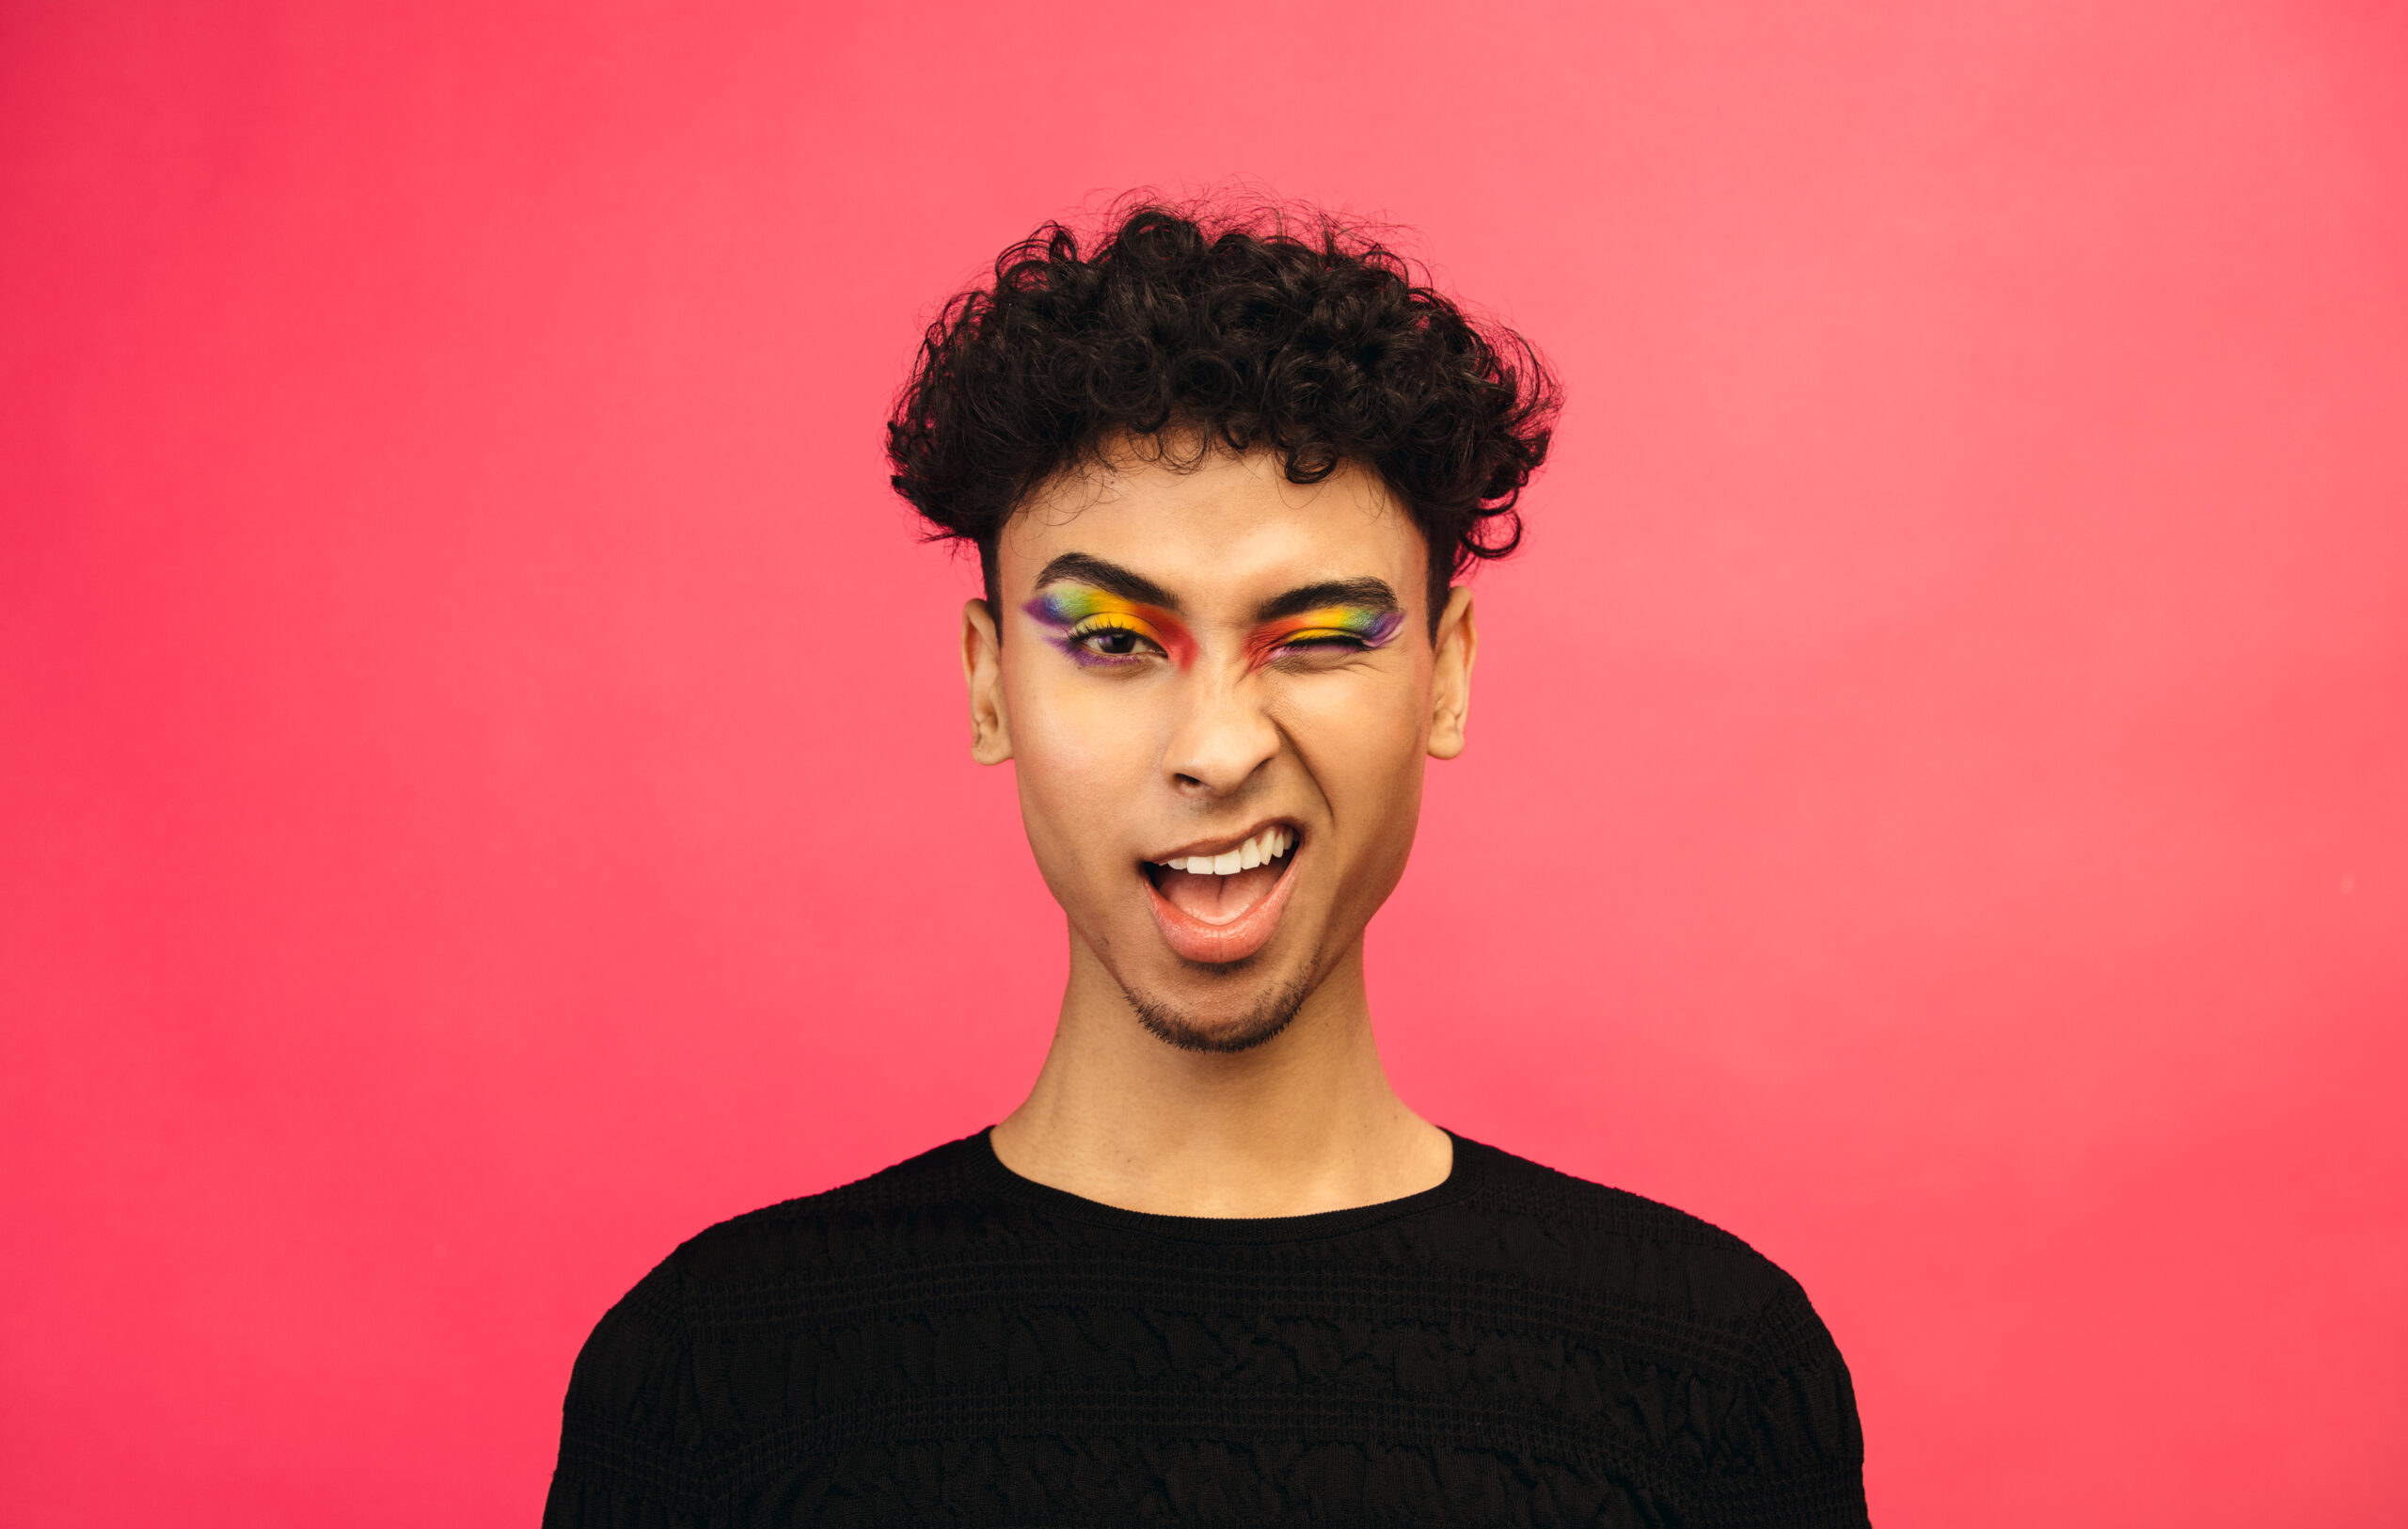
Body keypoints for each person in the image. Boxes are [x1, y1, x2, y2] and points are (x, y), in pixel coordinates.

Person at [544, 199, 1870, 1527]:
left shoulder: (1713, 1382)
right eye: (1113, 640)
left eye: (1316, 635)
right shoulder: (708, 1382)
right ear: (990, 683)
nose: (1218, 748)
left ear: (1446, 676)